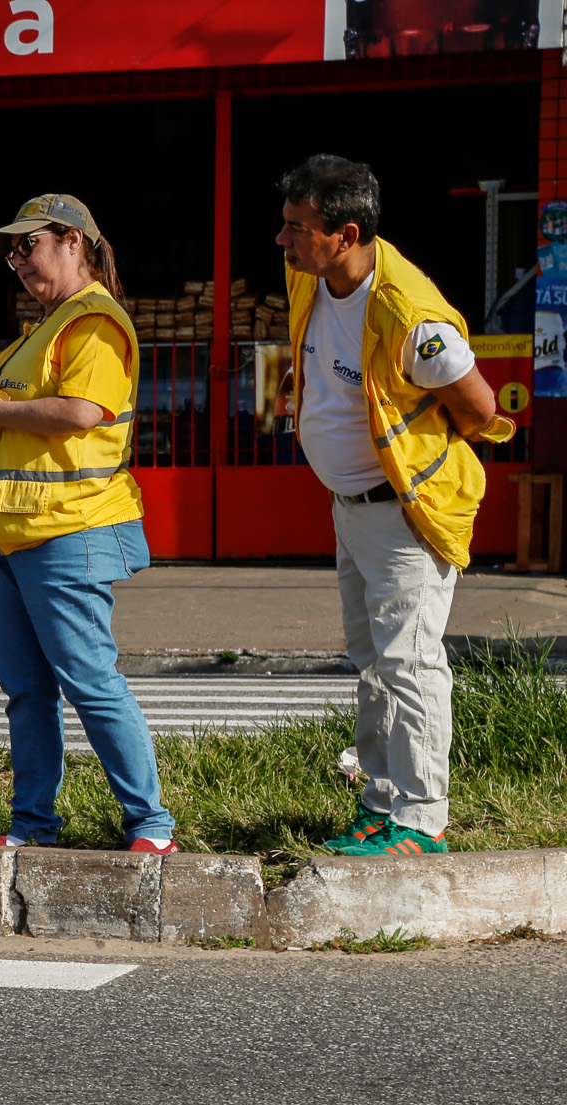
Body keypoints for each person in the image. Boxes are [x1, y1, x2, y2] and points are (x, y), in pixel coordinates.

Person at [276, 155, 513, 857]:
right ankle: (381, 805)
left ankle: (420, 819)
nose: (282, 240)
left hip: (404, 514)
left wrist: (417, 472)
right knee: (374, 661)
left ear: (344, 234)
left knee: (409, 662)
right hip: (353, 507)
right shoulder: (311, 278)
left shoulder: (411, 318)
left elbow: (480, 407)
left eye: (297, 227)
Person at [0, 194, 176, 854]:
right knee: (28, 693)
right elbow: (20, 415)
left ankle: (150, 824)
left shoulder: (93, 321)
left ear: (73, 241)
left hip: (65, 529)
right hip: (15, 537)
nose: (17, 262)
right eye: (11, 252)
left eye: (27, 246)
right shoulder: (45, 326)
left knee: (90, 682)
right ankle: (33, 824)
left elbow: (81, 411)